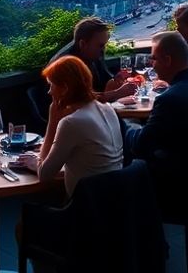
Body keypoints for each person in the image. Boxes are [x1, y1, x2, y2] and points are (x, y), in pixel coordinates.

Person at [18, 55, 123, 196]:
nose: (49, 92)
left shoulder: (72, 122)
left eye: (51, 85)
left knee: (28, 214)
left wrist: (53, 122)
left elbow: (45, 174)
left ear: (65, 88)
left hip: (86, 208)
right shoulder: (107, 108)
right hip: (114, 200)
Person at [123, 31, 188, 164]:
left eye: (154, 59)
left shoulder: (170, 99)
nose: (152, 65)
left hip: (177, 175)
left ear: (167, 60)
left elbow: (140, 146)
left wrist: (125, 123)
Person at [49, 17, 137, 103]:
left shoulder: (92, 54)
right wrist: (117, 93)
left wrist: (116, 79)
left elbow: (105, 83)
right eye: (101, 45)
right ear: (83, 44)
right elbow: (78, 101)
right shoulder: (65, 65)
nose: (104, 50)